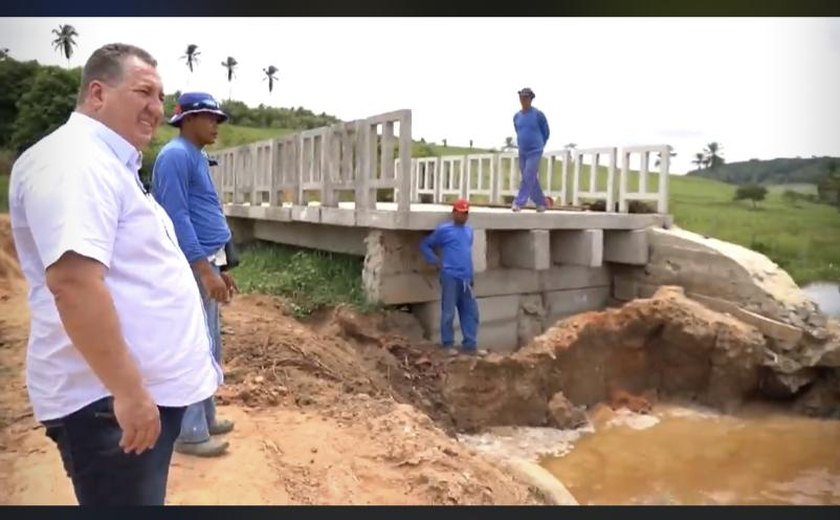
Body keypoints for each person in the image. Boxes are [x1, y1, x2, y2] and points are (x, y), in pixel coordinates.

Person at [7, 43, 220, 505]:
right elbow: (73, 284)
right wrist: (130, 393)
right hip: (107, 403)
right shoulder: (75, 161)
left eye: (161, 96)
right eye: (144, 91)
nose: (156, 108)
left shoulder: (109, 164)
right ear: (97, 93)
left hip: (127, 397)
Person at [152, 92, 237, 457]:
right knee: (192, 344)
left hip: (206, 260)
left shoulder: (196, 156)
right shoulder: (174, 157)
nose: (215, 124)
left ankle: (205, 415)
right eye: (209, 118)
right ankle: (189, 432)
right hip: (189, 264)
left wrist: (221, 266)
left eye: (217, 118)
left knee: (210, 344)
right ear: (187, 120)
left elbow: (205, 211)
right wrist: (203, 269)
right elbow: (176, 216)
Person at [420, 199, 483, 356]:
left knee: (470, 312)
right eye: (460, 213)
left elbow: (466, 254)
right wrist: (434, 260)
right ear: (454, 213)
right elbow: (425, 244)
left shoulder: (469, 231)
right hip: (450, 276)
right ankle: (447, 344)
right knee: (448, 312)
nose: (463, 216)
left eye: (466, 213)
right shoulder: (444, 230)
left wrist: (471, 275)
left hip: (466, 278)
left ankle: (470, 345)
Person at [512, 87, 550, 212]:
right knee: (530, 177)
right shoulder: (516, 117)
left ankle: (519, 202)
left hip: (535, 150)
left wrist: (540, 144)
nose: (523, 100)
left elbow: (546, 131)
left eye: (526, 98)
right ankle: (541, 202)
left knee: (528, 174)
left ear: (531, 99)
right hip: (523, 150)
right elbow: (518, 130)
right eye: (522, 97)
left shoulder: (538, 114)